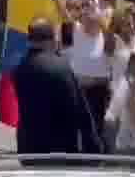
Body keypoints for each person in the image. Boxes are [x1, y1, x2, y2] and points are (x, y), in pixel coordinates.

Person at [12, 19, 103, 155]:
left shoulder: (20, 68)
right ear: (51, 40)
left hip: (29, 147)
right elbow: (79, 109)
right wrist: (93, 146)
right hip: (60, 149)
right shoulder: (61, 67)